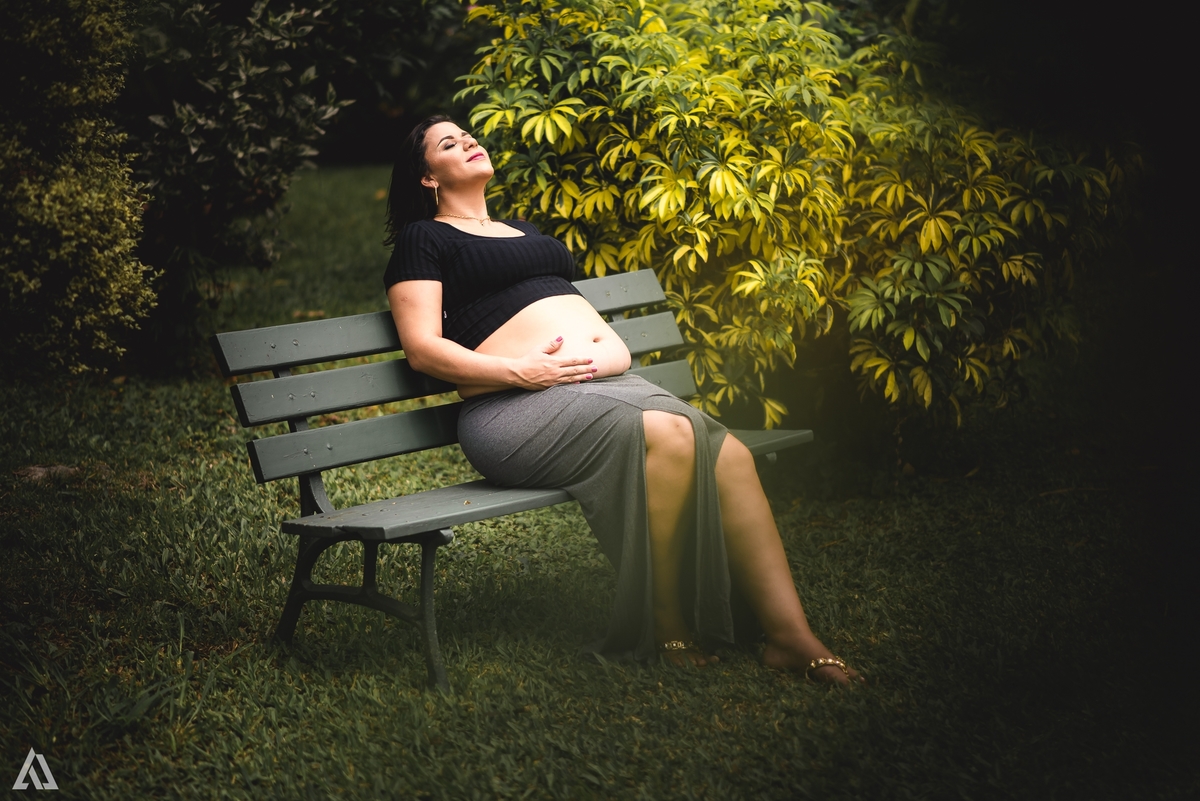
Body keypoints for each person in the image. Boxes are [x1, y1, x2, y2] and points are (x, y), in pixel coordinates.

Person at [384, 115, 863, 685]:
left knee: (729, 454)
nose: (467, 141)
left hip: (602, 390)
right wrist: (521, 369)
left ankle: (791, 636)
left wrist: (600, 357)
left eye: (468, 134)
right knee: (670, 433)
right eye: (448, 143)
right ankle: (665, 622)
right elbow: (423, 351)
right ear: (427, 179)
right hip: (513, 409)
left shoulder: (524, 231)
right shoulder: (426, 238)